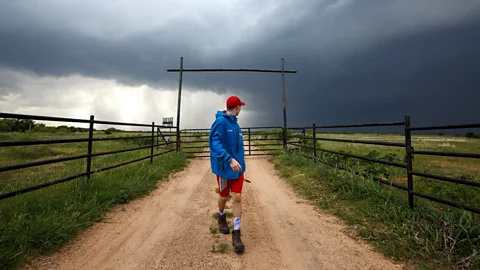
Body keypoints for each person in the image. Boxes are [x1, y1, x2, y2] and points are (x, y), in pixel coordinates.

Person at [208, 95, 246, 253]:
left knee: (237, 197)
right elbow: (214, 143)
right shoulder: (220, 122)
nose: (241, 109)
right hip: (224, 170)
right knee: (223, 197)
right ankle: (221, 216)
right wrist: (229, 160)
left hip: (238, 170)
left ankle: (236, 232)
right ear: (237, 108)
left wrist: (240, 163)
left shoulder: (236, 125)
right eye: (240, 107)